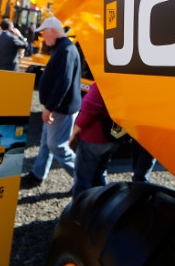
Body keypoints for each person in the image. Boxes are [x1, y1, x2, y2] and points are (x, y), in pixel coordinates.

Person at [21, 16, 82, 190]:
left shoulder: (66, 50)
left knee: (57, 146)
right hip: (59, 107)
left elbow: (64, 82)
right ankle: (37, 175)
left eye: (44, 32)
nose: (42, 37)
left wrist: (49, 107)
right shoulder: (61, 48)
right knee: (46, 143)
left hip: (61, 109)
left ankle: (84, 178)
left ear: (53, 31)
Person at [68, 82, 120, 198]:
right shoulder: (127, 82)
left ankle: (81, 211)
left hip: (94, 138)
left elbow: (89, 109)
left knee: (83, 179)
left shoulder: (103, 82)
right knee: (101, 173)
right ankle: (101, 206)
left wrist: (74, 132)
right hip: (115, 135)